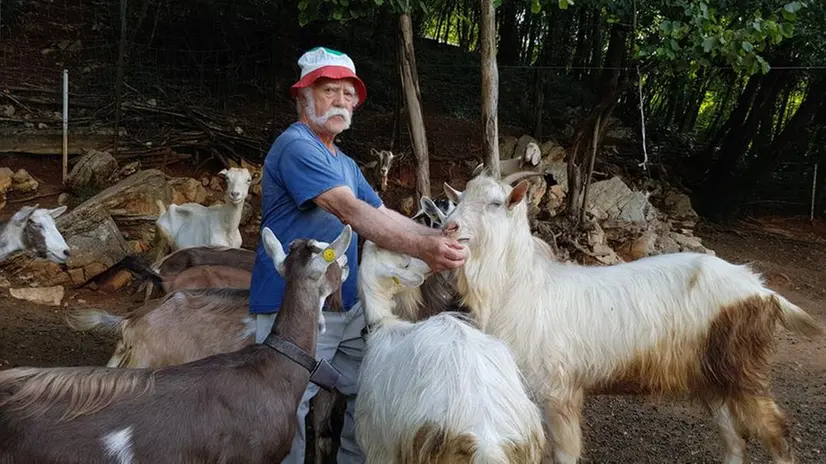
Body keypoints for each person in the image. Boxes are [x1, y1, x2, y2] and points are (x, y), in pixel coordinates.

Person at [249, 46, 466, 464]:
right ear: (303, 97)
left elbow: (381, 212)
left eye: (349, 95)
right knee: (283, 409)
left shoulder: (344, 162)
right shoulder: (296, 145)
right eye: (330, 90)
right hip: (298, 306)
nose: (342, 101)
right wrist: (426, 247)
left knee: (372, 392)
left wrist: (438, 234)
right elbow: (351, 213)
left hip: (346, 307)